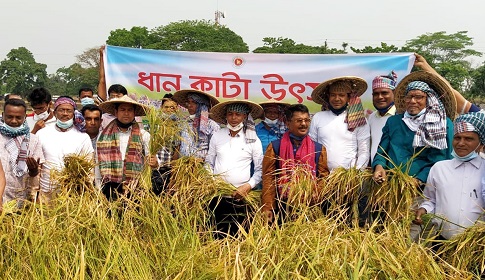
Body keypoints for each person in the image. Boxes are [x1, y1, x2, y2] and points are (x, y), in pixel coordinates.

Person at [372, 71, 455, 186]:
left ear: (428, 99)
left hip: (424, 188)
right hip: (390, 185)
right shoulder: (393, 122)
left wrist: (419, 180)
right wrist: (379, 166)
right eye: (409, 97)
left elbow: (440, 159)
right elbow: (382, 152)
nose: (412, 101)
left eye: (418, 97)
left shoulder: (440, 125)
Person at [414, 111, 485, 241]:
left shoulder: (484, 171)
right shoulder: (439, 168)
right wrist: (423, 209)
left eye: (468, 139)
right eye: (457, 138)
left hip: (476, 245)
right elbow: (431, 200)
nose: (461, 143)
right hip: (442, 241)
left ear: (481, 144)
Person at [261, 104, 329, 224]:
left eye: (307, 120)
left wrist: (314, 196)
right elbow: (268, 178)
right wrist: (268, 206)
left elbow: (323, 178)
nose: (304, 124)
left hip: (309, 208)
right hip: (282, 205)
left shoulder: (318, 149)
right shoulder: (275, 147)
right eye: (299, 121)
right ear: (288, 123)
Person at [206, 99, 264, 237]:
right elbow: (209, 162)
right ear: (225, 115)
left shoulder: (253, 139)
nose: (233, 118)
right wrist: (212, 181)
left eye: (238, 114)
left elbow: (260, 169)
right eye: (230, 113)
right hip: (217, 195)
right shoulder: (217, 135)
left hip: (241, 197)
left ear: (245, 116)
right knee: (216, 233)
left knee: (239, 235)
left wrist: (248, 186)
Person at [97, 95, 158, 201]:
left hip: (136, 187)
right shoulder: (103, 136)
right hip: (110, 188)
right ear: (116, 112)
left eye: (130, 110)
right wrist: (98, 188)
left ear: (134, 113)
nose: (126, 113)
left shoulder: (144, 135)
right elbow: (98, 162)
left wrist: (155, 163)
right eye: (122, 110)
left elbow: (153, 160)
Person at [36, 96, 94, 203]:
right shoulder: (42, 133)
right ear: (55, 112)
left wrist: (84, 189)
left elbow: (89, 167)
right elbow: (37, 165)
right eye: (61, 110)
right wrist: (36, 192)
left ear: (74, 113)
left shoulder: (82, 136)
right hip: (46, 192)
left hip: (71, 194)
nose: (65, 114)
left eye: (69, 111)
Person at [309, 76, 370, 171]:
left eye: (341, 95)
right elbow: (311, 147)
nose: (337, 99)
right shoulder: (318, 117)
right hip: (322, 176)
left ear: (348, 97)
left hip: (348, 177)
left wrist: (356, 172)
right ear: (328, 97)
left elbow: (364, 151)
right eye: (333, 95)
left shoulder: (358, 119)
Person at [0, 99, 44, 207]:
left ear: (25, 117)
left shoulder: (32, 140)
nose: (14, 121)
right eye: (9, 116)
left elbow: (36, 174)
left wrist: (33, 171)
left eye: (18, 117)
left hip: (20, 199)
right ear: (2, 115)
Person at [172, 89, 220, 160]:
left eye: (194, 103)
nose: (190, 106)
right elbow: (178, 146)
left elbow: (215, 150)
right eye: (188, 102)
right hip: (183, 166)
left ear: (202, 105)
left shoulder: (212, 125)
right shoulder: (183, 123)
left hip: (202, 167)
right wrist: (174, 163)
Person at [368, 71, 397, 163]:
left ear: (394, 93)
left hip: (396, 172)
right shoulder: (372, 117)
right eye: (375, 94)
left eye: (384, 93)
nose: (380, 97)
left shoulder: (401, 115)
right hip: (376, 172)